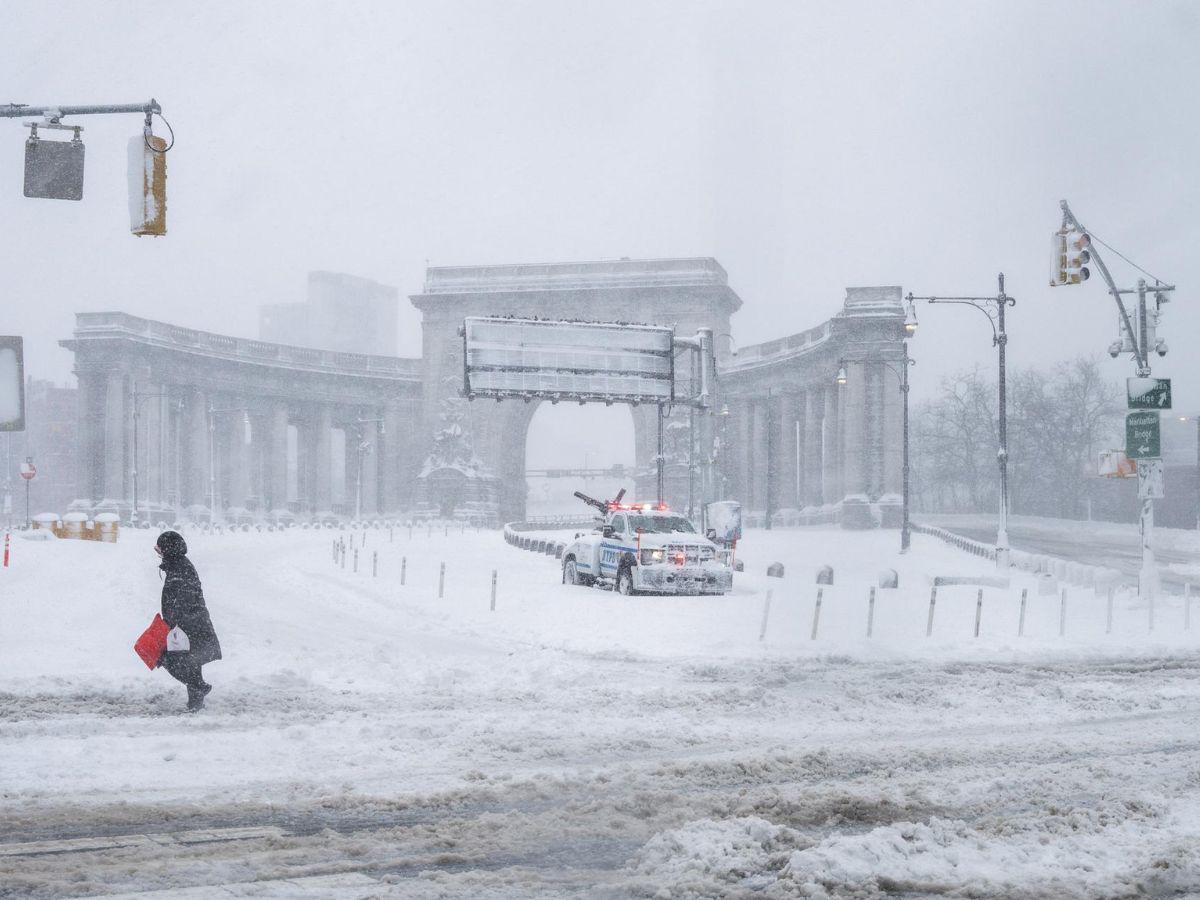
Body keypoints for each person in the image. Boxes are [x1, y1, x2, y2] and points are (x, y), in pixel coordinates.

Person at [154, 530, 221, 711]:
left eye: (159, 549)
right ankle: (196, 702)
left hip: (189, 625)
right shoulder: (177, 565)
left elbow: (183, 598)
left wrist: (173, 623)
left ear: (168, 549)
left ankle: (199, 687)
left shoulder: (179, 568)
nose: (158, 553)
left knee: (169, 659)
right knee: (190, 662)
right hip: (191, 624)